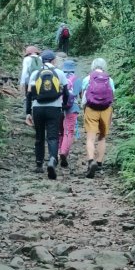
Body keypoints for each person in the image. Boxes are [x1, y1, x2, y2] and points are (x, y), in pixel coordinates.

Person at [26, 50, 68, 179]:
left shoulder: (35, 74)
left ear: (41, 61)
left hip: (38, 108)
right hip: (54, 108)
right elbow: (66, 93)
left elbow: (29, 95)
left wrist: (28, 112)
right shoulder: (59, 73)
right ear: (53, 60)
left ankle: (39, 164)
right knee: (53, 137)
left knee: (39, 136)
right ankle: (52, 161)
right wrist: (64, 106)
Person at [82, 58, 115, 179]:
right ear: (104, 66)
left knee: (90, 138)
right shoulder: (109, 79)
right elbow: (112, 96)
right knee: (102, 137)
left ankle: (91, 161)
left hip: (91, 109)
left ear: (93, 66)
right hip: (106, 109)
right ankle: (99, 162)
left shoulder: (87, 78)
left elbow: (83, 95)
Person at [58, 60, 83, 168]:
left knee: (60, 132)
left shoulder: (59, 77)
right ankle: (64, 152)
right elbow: (80, 95)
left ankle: (58, 152)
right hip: (72, 108)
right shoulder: (77, 79)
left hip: (58, 107)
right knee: (69, 131)